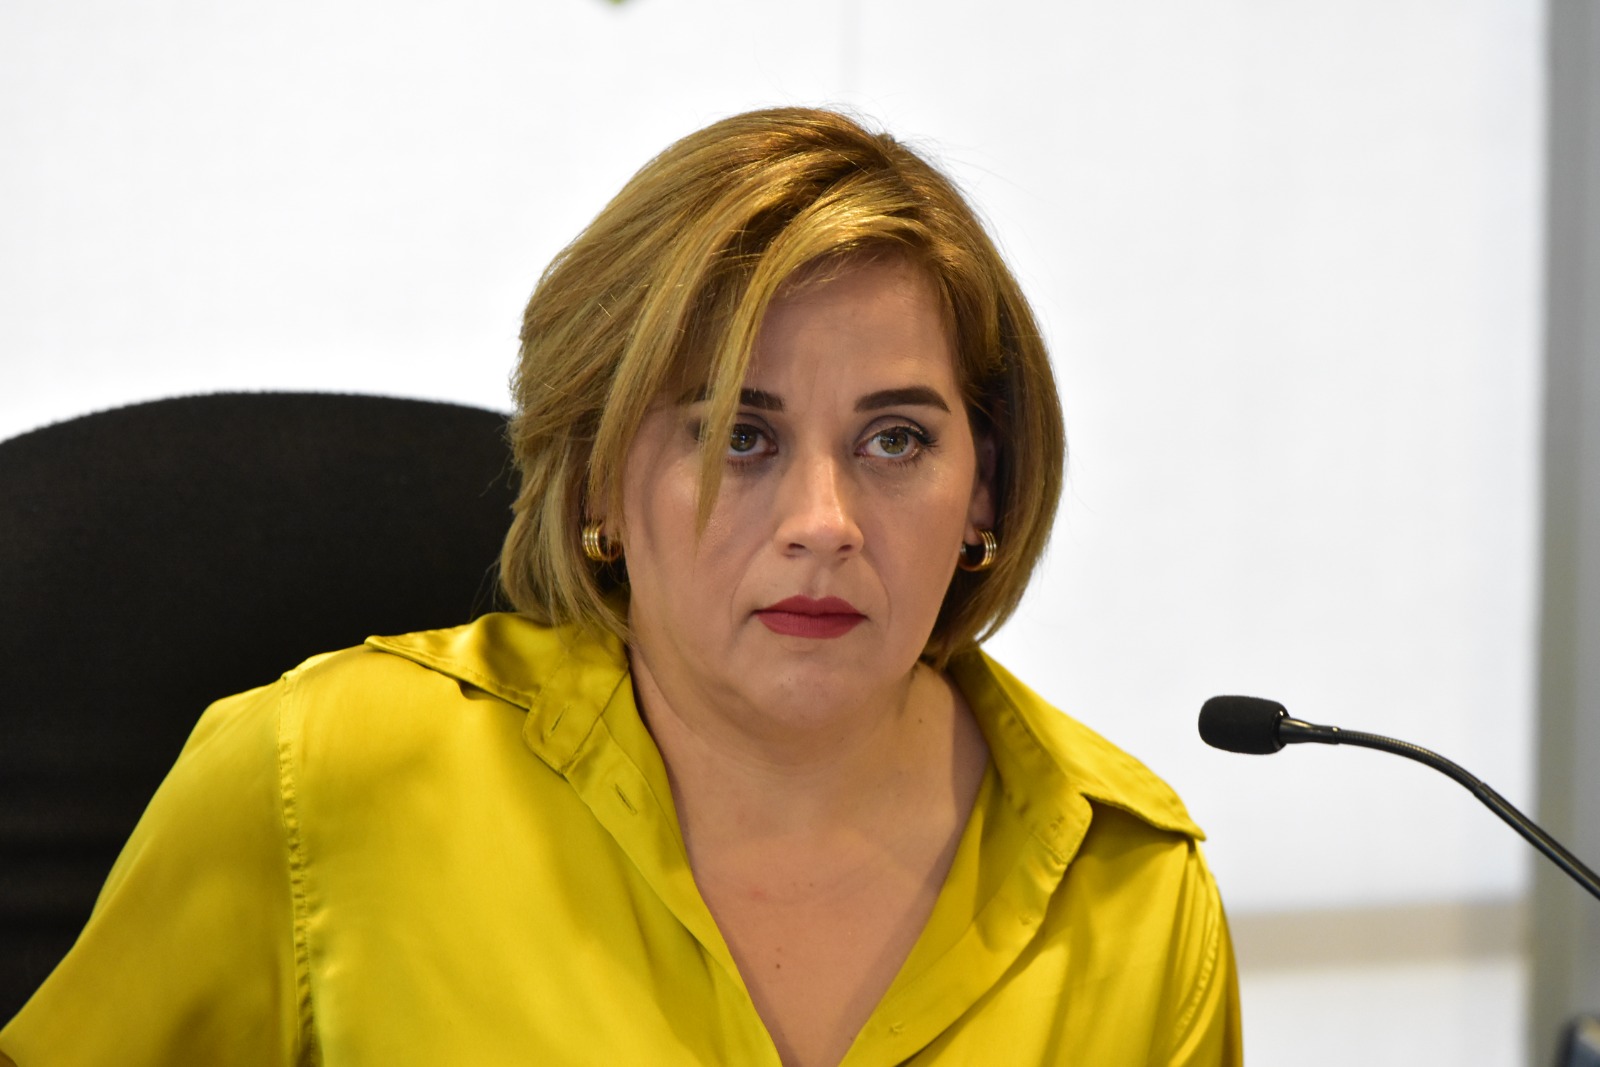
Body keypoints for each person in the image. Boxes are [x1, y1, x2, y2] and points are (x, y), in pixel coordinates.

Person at [0, 108, 1241, 1066]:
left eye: (895, 438)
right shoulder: (314, 777)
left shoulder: (1128, 885)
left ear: (986, 488)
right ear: (596, 477)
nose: (823, 523)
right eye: (736, 435)